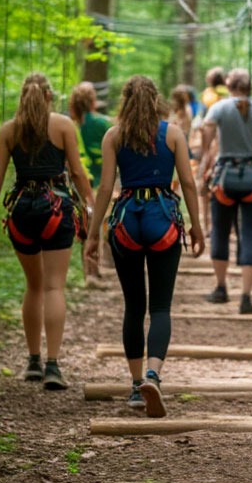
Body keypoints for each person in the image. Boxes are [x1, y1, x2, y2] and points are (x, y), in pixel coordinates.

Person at [84, 76, 205, 417]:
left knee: (134, 307)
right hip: (163, 219)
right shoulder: (173, 133)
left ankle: (136, 386)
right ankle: (154, 373)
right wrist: (196, 226)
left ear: (124, 101)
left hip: (127, 222)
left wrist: (93, 235)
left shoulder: (113, 135)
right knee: (161, 307)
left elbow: (106, 188)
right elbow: (189, 184)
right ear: (157, 100)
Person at [0, 72, 94, 391]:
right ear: (49, 96)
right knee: (54, 288)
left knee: (33, 286)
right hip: (56, 210)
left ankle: (32, 361)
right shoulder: (62, 125)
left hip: (21, 211)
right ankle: (53, 366)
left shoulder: (8, 130)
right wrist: (91, 205)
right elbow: (75, 171)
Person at [199, 68, 252, 314]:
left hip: (225, 177)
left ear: (229, 85)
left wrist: (205, 162)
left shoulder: (219, 108)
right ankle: (246, 297)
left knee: (221, 232)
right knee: (249, 234)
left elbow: (206, 133)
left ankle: (221, 288)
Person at [70, 81, 113, 283]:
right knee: (97, 225)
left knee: (84, 225)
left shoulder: (72, 125)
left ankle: (88, 271)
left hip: (77, 183)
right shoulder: (103, 123)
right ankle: (95, 270)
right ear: (92, 100)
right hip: (101, 182)